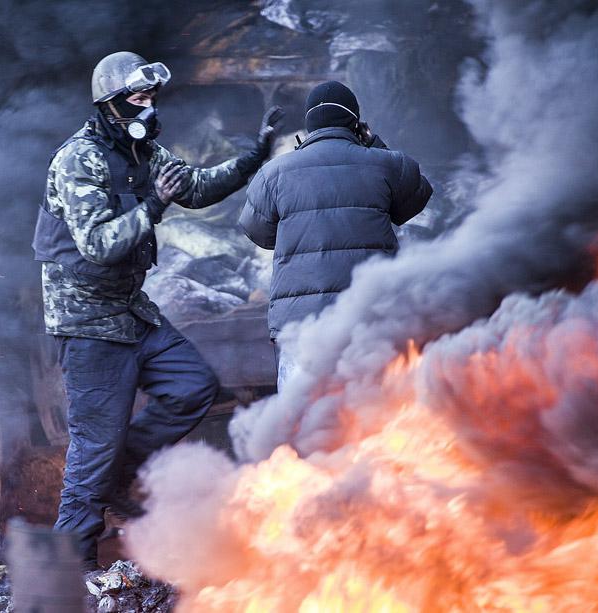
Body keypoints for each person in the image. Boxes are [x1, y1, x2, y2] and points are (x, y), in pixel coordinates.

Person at [33, 51, 283, 571]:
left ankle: (121, 469)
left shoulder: (143, 152)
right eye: (137, 98)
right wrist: (152, 207)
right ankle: (67, 577)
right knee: (90, 453)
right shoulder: (79, 159)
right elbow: (99, 244)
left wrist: (254, 156)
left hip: (131, 312)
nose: (147, 107)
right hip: (88, 324)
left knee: (193, 386)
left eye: (151, 98)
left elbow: (194, 187)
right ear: (110, 104)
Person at [239, 80, 432, 391]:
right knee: (377, 418)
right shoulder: (386, 163)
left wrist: (297, 233)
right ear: (356, 123)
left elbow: (256, 230)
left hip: (300, 325)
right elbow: (417, 197)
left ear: (310, 124)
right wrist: (374, 144)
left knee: (302, 421)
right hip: (371, 317)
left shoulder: (273, 173)